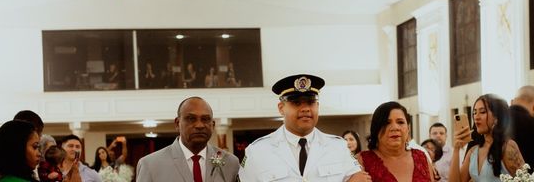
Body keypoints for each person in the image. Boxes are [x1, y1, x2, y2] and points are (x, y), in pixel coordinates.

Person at [239, 74, 368, 182]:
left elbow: (359, 178)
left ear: (317, 106)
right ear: (281, 108)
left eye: (311, 102)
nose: (306, 108)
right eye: (296, 103)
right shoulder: (257, 151)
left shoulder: (338, 147)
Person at [136, 96, 239, 182]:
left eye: (205, 119)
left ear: (213, 125)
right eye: (191, 119)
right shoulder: (150, 165)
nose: (199, 125)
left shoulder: (231, 162)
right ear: (177, 123)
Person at [450, 94, 524, 182]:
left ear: (497, 117)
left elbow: (525, 179)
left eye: (482, 112)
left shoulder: (507, 147)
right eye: (474, 113)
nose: (476, 117)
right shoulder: (473, 152)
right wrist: (456, 149)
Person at [357, 101, 433, 182]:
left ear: (408, 128)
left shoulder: (422, 158)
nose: (395, 127)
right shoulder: (361, 161)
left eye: (400, 122)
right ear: (376, 129)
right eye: (387, 123)